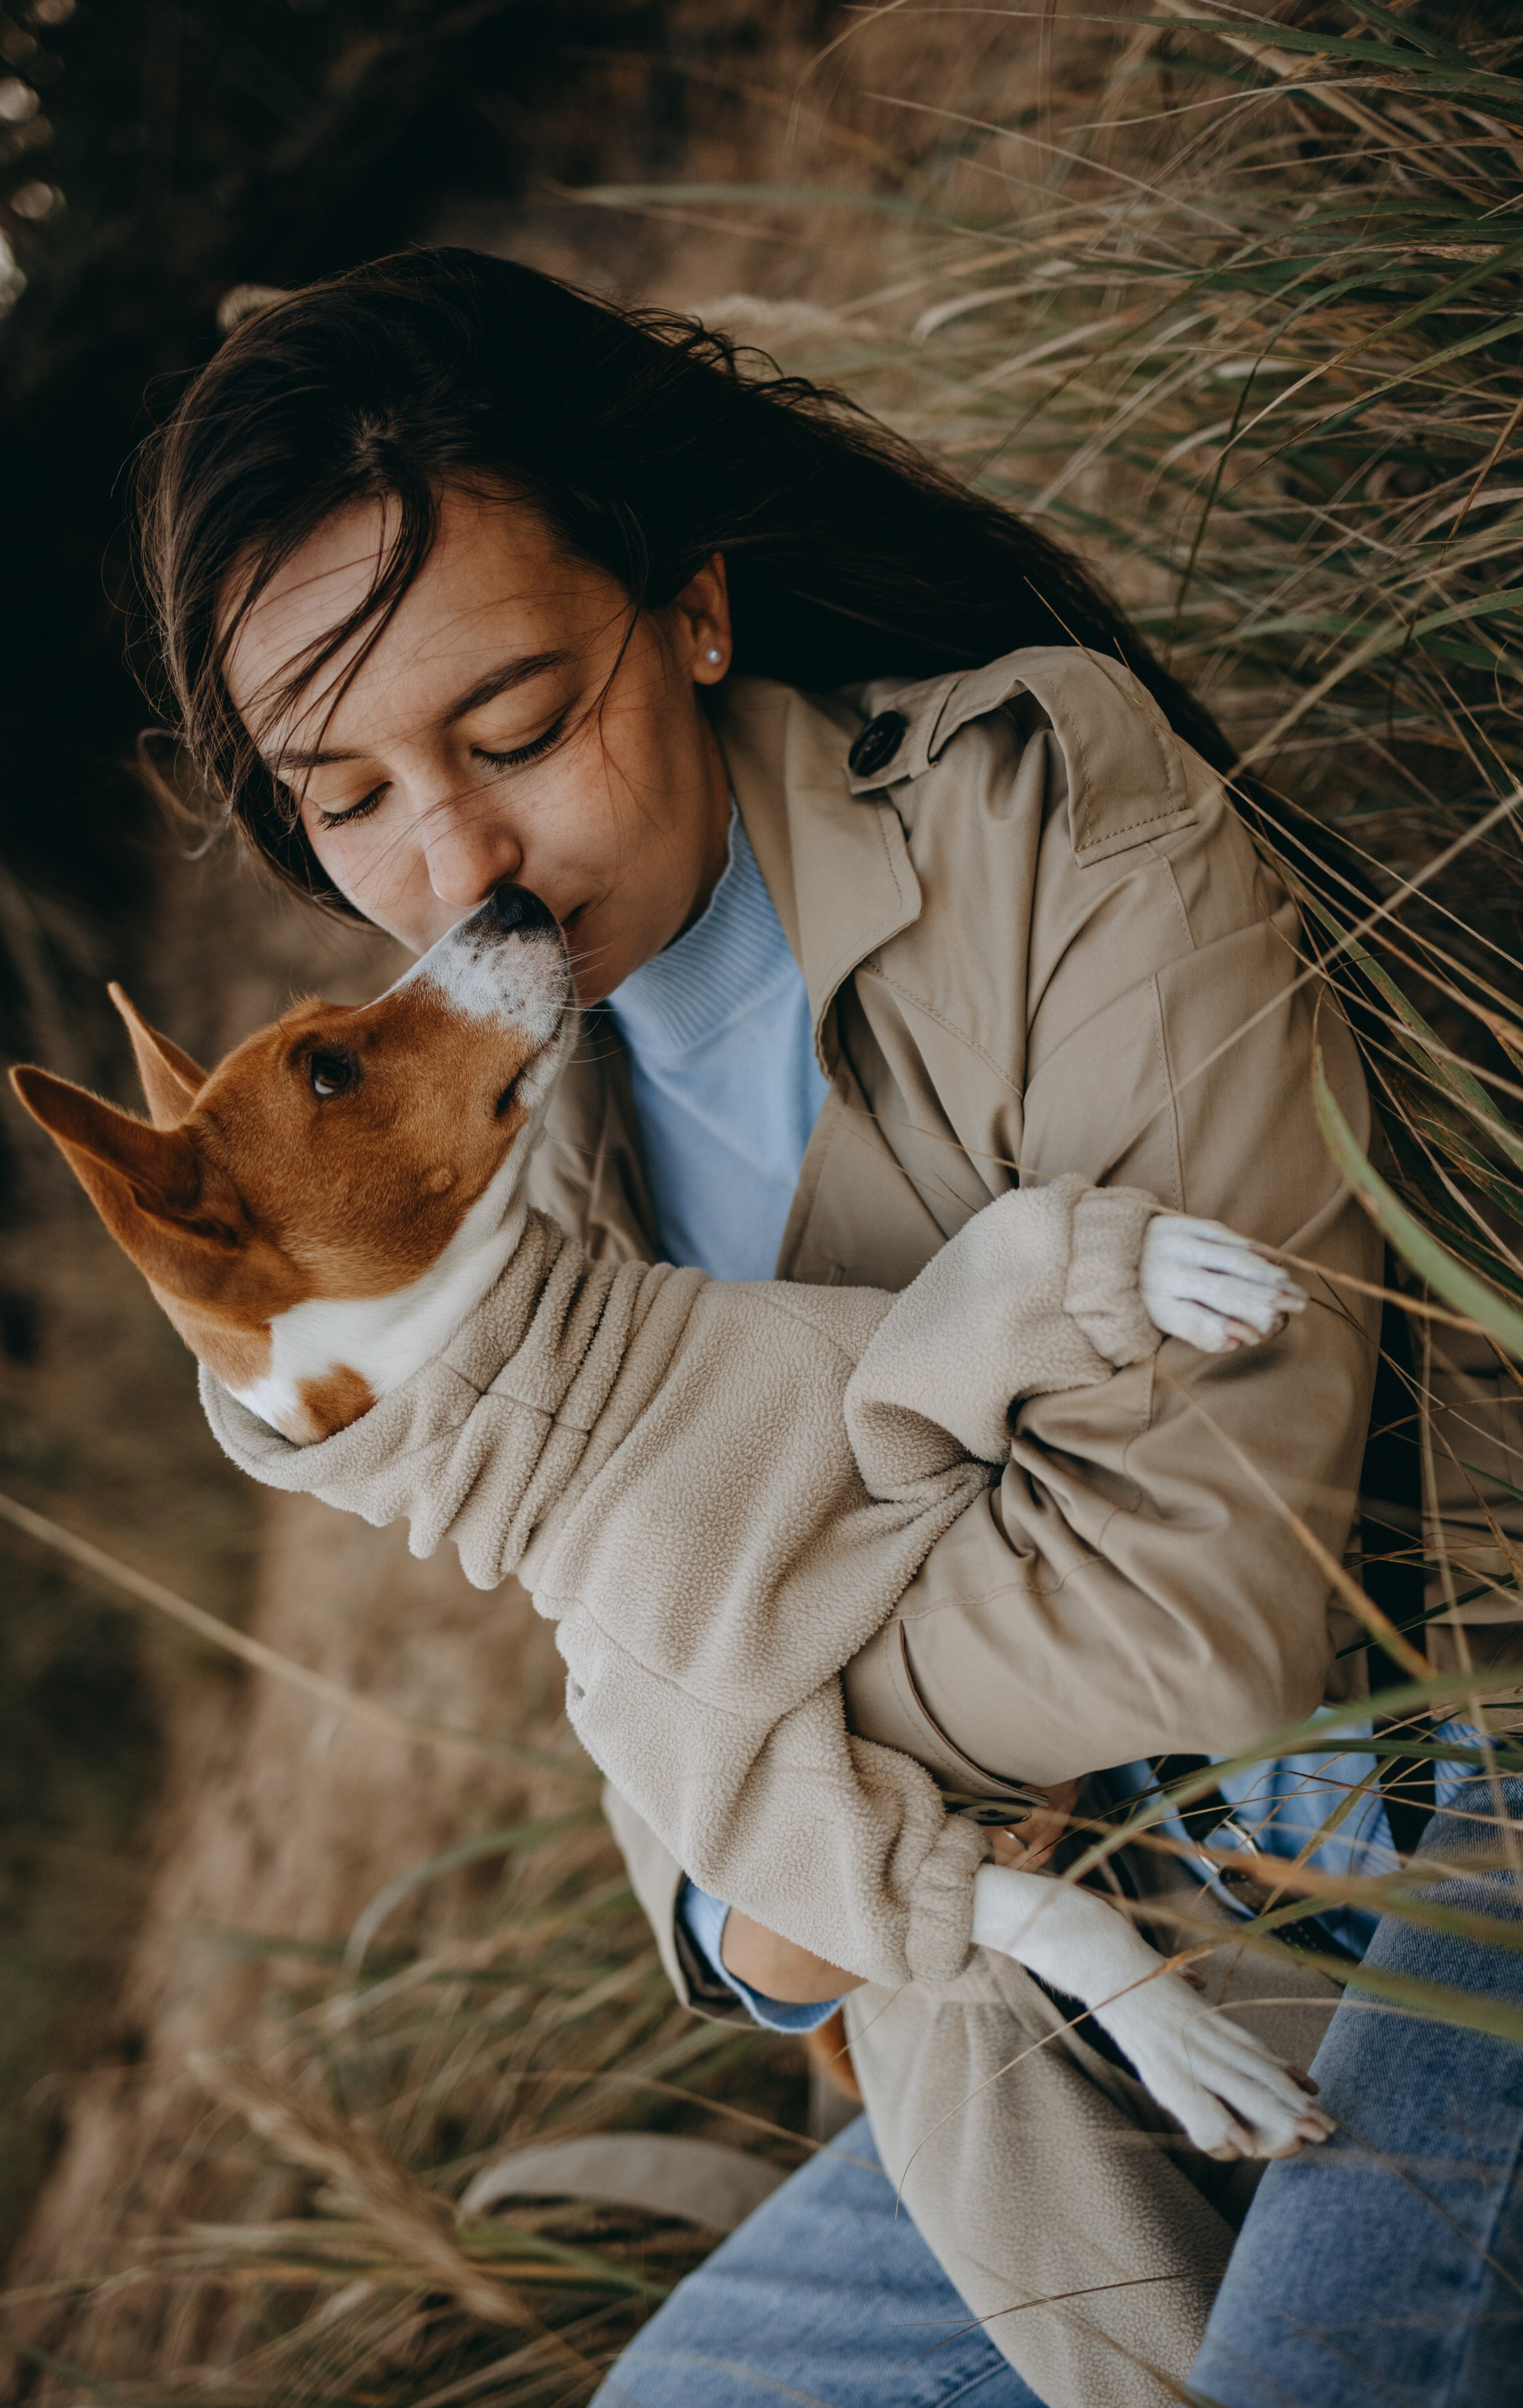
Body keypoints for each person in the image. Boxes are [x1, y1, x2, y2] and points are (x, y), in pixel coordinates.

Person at [129, 247, 1514, 2407]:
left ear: (689, 608)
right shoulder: (508, 1142)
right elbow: (680, 1831)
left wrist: (796, 1816)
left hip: (1447, 1811)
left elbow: (1198, 1611)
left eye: (514, 728)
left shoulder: (1049, 811)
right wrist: (763, 1903)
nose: (460, 862)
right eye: (350, 795)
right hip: (1060, 1997)